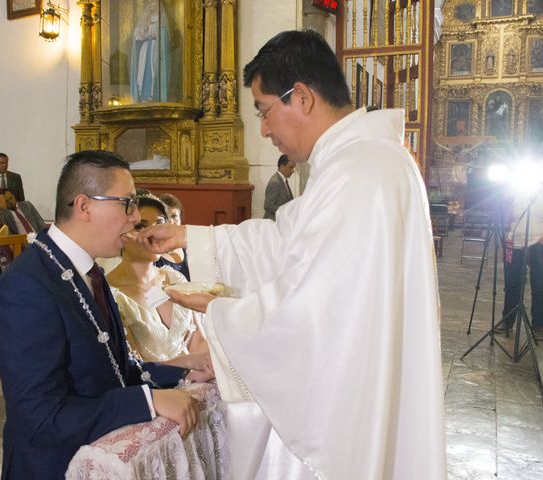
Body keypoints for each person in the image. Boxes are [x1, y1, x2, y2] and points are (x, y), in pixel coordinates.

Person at [139, 30, 445, 479]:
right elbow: (289, 240)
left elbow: (313, 314)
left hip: (344, 410)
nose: (263, 129)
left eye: (264, 111)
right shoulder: (361, 163)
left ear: (300, 97)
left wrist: (222, 313)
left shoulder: (358, 173)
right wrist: (191, 235)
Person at [0, 150, 212, 480]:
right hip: (54, 468)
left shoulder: (88, 271)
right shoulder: (25, 286)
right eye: (127, 203)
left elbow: (115, 370)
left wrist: (186, 371)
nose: (135, 217)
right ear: (84, 206)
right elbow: (39, 418)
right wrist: (148, 402)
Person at [106, 193, 207, 362]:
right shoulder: (112, 293)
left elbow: (198, 343)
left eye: (159, 224)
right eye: (140, 227)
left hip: (201, 376)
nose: (154, 234)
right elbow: (134, 366)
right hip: (156, 386)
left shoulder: (174, 277)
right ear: (121, 235)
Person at [500, 191, 543, 339]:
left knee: (539, 284)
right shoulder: (516, 191)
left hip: (537, 244)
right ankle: (507, 321)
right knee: (512, 283)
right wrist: (507, 201)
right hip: (515, 243)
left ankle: (539, 325)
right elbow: (507, 218)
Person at [154, 192, 190, 280]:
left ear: (181, 219)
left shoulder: (189, 247)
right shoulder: (152, 251)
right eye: (166, 217)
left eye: (174, 217)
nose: (170, 222)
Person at [263, 154, 296, 220]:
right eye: (290, 167)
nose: (293, 171)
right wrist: (285, 211)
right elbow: (268, 205)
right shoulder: (275, 182)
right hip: (273, 222)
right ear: (282, 167)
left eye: (293, 168)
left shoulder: (283, 180)